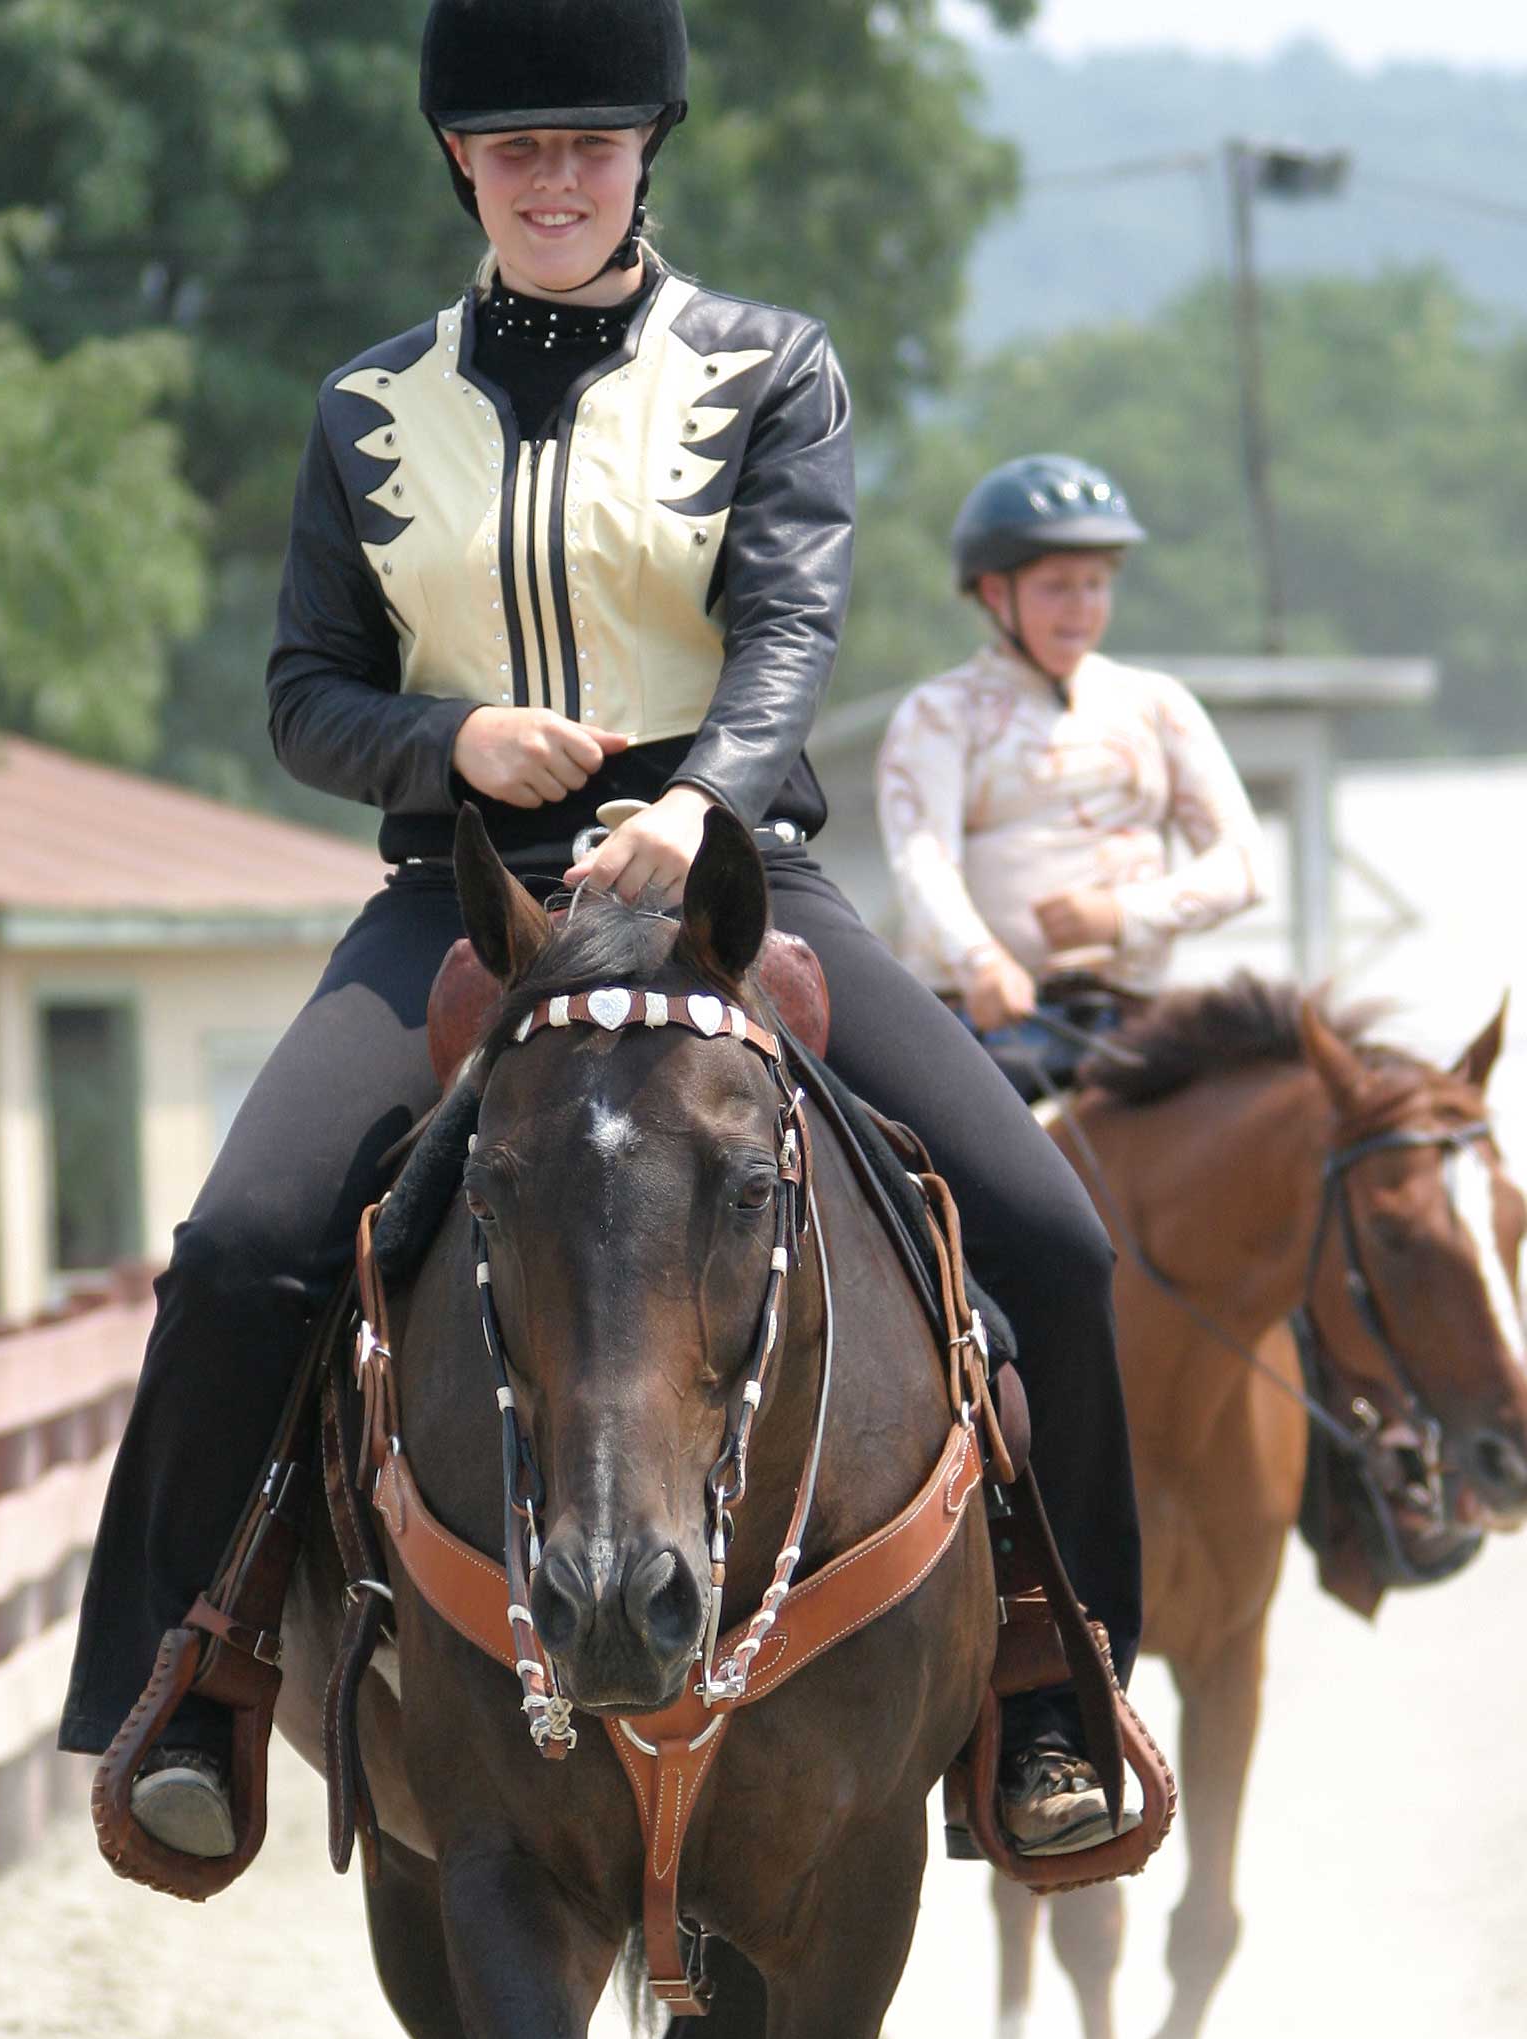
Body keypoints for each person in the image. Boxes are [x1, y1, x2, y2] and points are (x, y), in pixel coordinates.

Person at [61, 0, 1145, 1864]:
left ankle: (1052, 1683)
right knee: (240, 1245)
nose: (552, 178)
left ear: (646, 152)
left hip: (728, 883)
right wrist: (444, 741)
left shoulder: (766, 366)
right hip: (460, 898)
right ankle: (197, 1678)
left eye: (587, 143)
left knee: (1043, 1226)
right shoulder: (362, 406)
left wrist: (698, 795)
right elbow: (303, 692)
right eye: (514, 149)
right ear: (457, 165)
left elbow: (794, 620)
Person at [877, 455, 1266, 1092]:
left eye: (1095, 584)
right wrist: (982, 965)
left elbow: (1244, 864)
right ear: (996, 594)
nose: (1081, 608)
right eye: (1057, 586)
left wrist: (1120, 915)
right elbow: (924, 862)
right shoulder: (938, 715)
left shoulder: (1159, 703)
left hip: (1143, 1026)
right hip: (993, 1032)